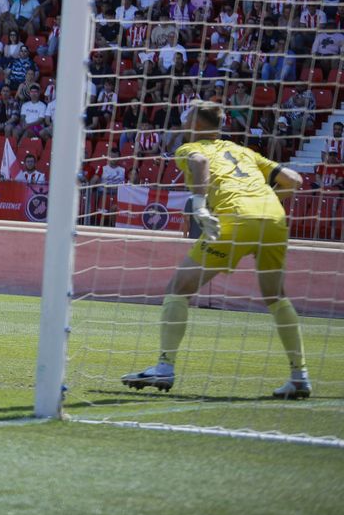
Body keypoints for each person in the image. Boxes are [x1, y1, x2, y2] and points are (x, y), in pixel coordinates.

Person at [123, 101, 309, 399]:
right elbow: (294, 180)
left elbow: (199, 164)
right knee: (276, 297)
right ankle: (299, 375)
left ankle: (165, 366)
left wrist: (198, 204)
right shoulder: (242, 150)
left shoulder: (189, 148)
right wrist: (262, 205)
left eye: (187, 120)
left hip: (234, 218)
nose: (184, 125)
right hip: (274, 217)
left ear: (196, 125)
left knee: (178, 288)